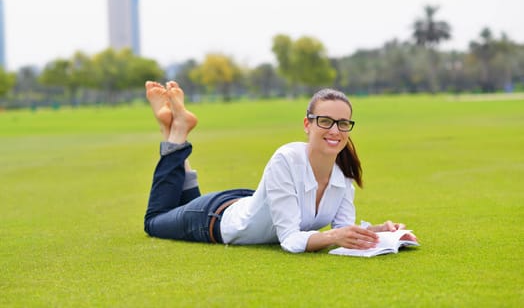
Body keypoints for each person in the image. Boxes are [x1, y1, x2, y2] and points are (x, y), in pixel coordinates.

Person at [143, 81, 417, 253]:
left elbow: (342, 230)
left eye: (342, 123)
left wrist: (376, 231)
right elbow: (289, 240)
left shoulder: (342, 175)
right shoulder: (286, 159)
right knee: (155, 219)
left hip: (243, 202)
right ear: (307, 124)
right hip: (213, 219)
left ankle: (171, 127)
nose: (335, 130)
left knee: (181, 203)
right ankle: (175, 129)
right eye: (325, 121)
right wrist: (334, 236)